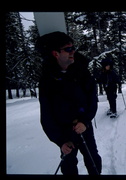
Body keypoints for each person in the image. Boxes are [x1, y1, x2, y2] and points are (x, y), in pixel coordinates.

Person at [36, 31, 102, 175]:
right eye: (68, 49)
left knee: (93, 160)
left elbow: (92, 100)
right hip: (64, 131)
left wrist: (85, 121)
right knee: (69, 164)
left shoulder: (82, 72)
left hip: (83, 127)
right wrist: (60, 141)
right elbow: (46, 114)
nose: (73, 52)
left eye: (73, 48)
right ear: (56, 54)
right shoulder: (47, 80)